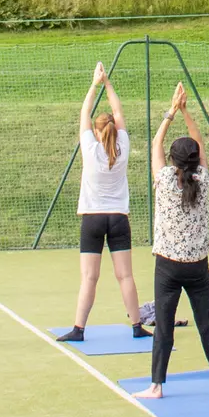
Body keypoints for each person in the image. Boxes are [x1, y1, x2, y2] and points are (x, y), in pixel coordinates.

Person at [132, 84, 209, 399]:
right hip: (198, 268)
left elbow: (155, 143)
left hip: (168, 267)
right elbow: (200, 144)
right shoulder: (203, 180)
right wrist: (188, 110)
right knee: (206, 323)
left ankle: (156, 386)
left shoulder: (163, 180)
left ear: (174, 162)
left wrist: (171, 111)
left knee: (164, 327)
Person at [58, 64, 146, 342]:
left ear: (97, 132)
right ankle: (136, 326)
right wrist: (108, 83)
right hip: (118, 218)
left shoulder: (90, 147)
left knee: (89, 278)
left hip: (93, 218)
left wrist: (95, 83)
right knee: (125, 276)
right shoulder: (123, 145)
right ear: (114, 129)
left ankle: (78, 329)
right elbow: (118, 113)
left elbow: (84, 113)